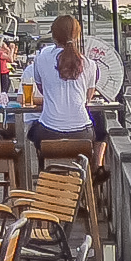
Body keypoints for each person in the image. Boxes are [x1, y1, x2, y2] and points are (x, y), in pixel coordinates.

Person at [24, 15, 108, 162]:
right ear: (77, 36)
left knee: (32, 133)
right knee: (100, 127)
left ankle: (45, 171)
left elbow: (42, 89)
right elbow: (87, 98)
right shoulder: (90, 64)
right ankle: (93, 167)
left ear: (54, 37)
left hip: (48, 132)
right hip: (82, 133)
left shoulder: (41, 59)